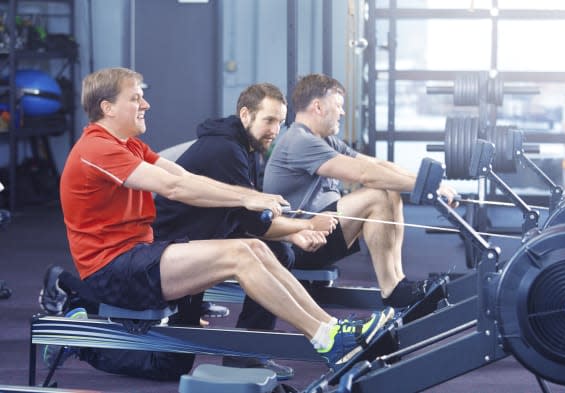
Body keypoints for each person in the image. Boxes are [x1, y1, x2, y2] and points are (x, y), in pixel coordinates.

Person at [47, 67, 394, 380]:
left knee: (255, 248)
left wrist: (243, 196)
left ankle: (332, 329)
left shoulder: (131, 146)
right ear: (107, 107)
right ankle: (327, 338)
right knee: (243, 255)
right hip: (113, 269)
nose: (146, 105)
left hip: (143, 255)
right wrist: (246, 197)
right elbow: (175, 188)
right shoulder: (96, 149)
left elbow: (182, 174)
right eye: (136, 98)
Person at [153, 82, 337, 378]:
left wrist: (291, 233)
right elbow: (252, 222)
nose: (275, 129)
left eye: (280, 121)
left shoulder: (245, 145)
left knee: (279, 252)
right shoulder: (225, 149)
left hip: (207, 234)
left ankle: (248, 354)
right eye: (269, 120)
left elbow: (246, 218)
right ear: (245, 114)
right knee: (170, 367)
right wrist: (305, 225)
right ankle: (79, 315)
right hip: (173, 247)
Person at [263, 73, 458, 318]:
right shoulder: (299, 141)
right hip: (299, 243)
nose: (342, 113)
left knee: (387, 188)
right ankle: (393, 290)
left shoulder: (325, 141)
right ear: (318, 106)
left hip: (321, 231)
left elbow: (376, 164)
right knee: (376, 194)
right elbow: (365, 174)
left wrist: (429, 182)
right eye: (339, 106)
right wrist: (424, 186)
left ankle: (398, 281)